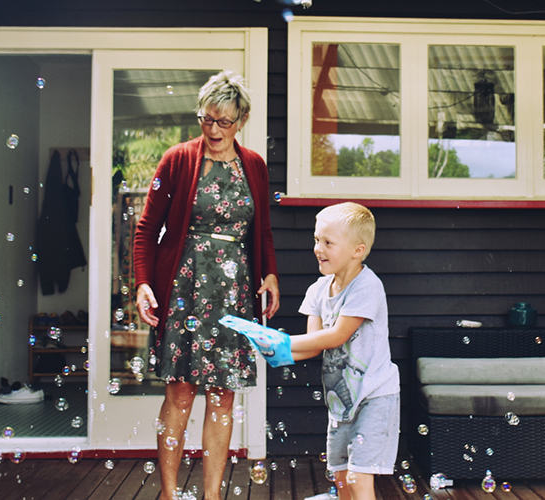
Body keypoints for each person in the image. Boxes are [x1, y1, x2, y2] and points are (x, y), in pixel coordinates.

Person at [132, 70, 279, 500]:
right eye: (207, 119)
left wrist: (269, 273)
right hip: (185, 289)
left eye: (224, 122)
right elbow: (146, 230)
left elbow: (263, 232)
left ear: (243, 119)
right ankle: (170, 493)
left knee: (223, 399)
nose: (214, 130)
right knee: (180, 394)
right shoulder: (177, 159)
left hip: (234, 293)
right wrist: (143, 284)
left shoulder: (254, 166)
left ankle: (212, 495)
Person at [289, 202, 400, 500]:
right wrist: (268, 351)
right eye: (316, 240)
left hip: (376, 397)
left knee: (358, 478)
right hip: (341, 404)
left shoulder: (367, 286)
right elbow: (314, 344)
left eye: (328, 242)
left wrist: (284, 343)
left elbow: (337, 335)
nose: (318, 248)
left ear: (357, 250)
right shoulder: (317, 290)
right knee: (341, 478)